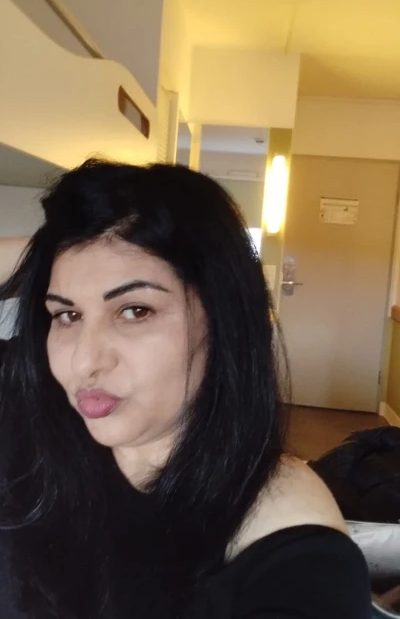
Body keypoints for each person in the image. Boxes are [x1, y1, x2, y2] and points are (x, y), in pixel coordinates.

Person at [0, 159, 371, 619]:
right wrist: (52, 251)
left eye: (135, 311)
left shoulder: (277, 525)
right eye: (67, 314)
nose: (84, 361)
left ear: (222, 318)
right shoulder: (24, 402)